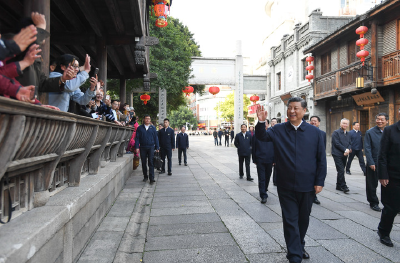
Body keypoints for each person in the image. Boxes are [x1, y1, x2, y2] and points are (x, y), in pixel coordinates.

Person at [255, 97, 326, 263]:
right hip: (285, 184)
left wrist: (320, 181)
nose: (292, 111)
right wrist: (260, 122)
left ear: (304, 111)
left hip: (308, 184)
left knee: (303, 218)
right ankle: (294, 255)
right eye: (290, 108)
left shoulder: (315, 133)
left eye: (296, 108)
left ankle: (299, 244)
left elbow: (321, 159)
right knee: (290, 219)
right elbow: (262, 137)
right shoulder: (278, 129)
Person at [377, 108, 400, 247]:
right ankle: (383, 232)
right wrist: (383, 174)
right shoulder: (390, 130)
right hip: (393, 176)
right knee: (391, 207)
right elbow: (382, 154)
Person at [364, 113, 388, 212]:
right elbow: (367, 148)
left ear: (387, 121)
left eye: (382, 119)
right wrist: (370, 162)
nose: (379, 121)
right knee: (372, 184)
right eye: (378, 119)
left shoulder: (389, 131)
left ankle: (388, 204)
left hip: (386, 163)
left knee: (387, 184)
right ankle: (373, 202)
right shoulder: (370, 132)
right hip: (374, 161)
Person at [252, 119, 274, 203]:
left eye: (266, 123)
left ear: (268, 125)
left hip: (270, 159)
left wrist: (275, 159)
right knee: (261, 178)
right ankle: (263, 195)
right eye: (263, 123)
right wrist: (254, 159)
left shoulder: (272, 134)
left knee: (267, 176)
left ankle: (264, 189)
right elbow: (253, 148)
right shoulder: (256, 135)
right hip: (260, 159)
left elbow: (275, 148)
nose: (264, 125)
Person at [135, 115, 159, 183]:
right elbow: (137, 138)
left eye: (149, 119)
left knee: (151, 162)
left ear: (150, 120)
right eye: (146, 118)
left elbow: (156, 138)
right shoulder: (140, 128)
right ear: (144, 119)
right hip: (143, 147)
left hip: (151, 147)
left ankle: (152, 178)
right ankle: (145, 176)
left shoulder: (153, 128)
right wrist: (137, 147)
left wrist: (157, 147)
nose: (147, 120)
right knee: (143, 162)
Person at [332, 118, 352, 193]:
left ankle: (338, 185)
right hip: (337, 154)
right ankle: (344, 186)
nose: (345, 125)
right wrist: (345, 150)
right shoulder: (336, 132)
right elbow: (336, 143)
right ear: (340, 124)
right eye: (343, 123)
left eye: (346, 123)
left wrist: (348, 150)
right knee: (340, 170)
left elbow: (350, 143)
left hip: (345, 154)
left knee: (341, 170)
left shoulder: (349, 133)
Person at [310, 115, 326, 205]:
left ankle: (314, 196)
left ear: (319, 123)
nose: (313, 122)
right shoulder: (306, 132)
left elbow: (323, 149)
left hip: (317, 159)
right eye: (312, 121)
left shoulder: (322, 133)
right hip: (309, 159)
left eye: (315, 121)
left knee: (316, 178)